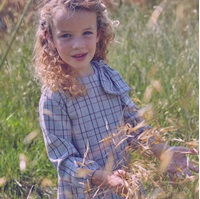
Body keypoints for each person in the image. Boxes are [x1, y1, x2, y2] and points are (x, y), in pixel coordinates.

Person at [33, 0, 198, 198]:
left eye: (87, 33)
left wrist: (162, 150)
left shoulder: (107, 75)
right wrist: (103, 177)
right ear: (50, 38)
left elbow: (134, 125)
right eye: (66, 36)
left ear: (98, 34)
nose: (77, 45)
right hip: (85, 192)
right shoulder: (55, 96)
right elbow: (64, 160)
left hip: (124, 185)